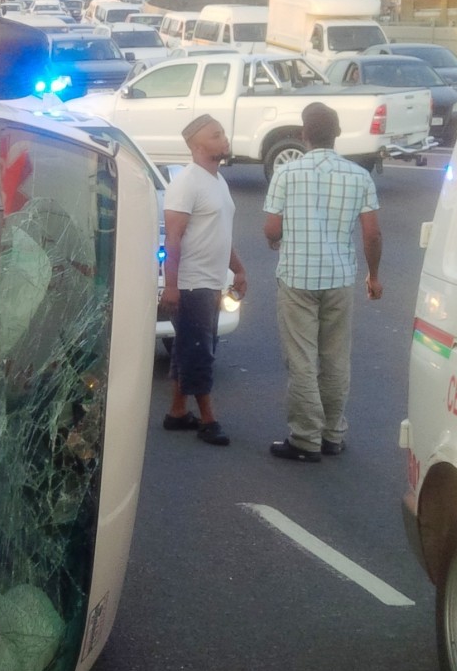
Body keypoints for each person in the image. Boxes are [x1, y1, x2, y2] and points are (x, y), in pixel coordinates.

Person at [262, 101, 382, 462]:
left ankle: (305, 437)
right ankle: (333, 433)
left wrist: (278, 239)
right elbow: (372, 234)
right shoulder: (360, 177)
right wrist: (373, 275)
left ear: (303, 135)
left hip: (297, 278)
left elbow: (271, 227)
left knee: (301, 359)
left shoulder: (287, 173)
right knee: (335, 358)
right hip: (340, 278)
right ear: (338, 134)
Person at [160, 113, 246, 447]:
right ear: (197, 145)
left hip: (211, 281)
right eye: (215, 135)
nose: (224, 139)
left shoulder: (217, 181)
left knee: (188, 347)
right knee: (200, 351)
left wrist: (238, 268)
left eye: (223, 133)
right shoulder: (187, 182)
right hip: (191, 283)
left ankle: (178, 412)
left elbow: (220, 234)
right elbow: (174, 239)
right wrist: (171, 285)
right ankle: (208, 419)